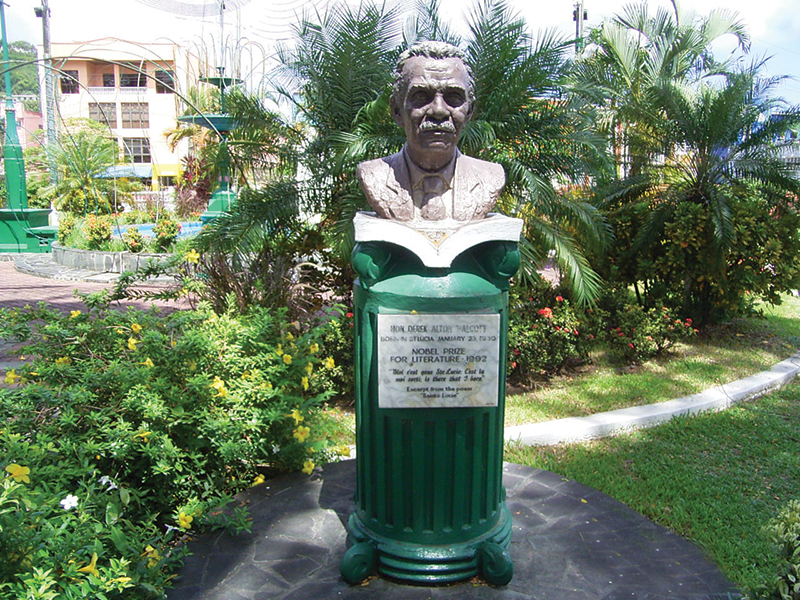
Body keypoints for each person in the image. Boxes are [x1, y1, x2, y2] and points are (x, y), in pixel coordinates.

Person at [357, 41, 505, 223]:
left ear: (469, 113)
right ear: (397, 111)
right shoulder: (373, 174)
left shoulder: (490, 176)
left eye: (453, 97)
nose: (439, 110)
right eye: (420, 96)